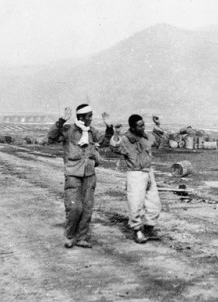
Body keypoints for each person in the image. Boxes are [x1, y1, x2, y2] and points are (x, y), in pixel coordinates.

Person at [47, 104, 114, 249]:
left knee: (87, 207)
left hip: (89, 173)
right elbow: (51, 136)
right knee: (74, 207)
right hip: (73, 173)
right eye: (89, 116)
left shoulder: (91, 132)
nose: (91, 118)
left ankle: (82, 237)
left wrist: (109, 128)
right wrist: (61, 121)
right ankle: (70, 235)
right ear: (81, 117)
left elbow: (105, 142)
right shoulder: (68, 130)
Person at [110, 114, 162, 244]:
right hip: (135, 174)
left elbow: (157, 140)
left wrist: (157, 125)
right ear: (132, 128)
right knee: (135, 204)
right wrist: (116, 133)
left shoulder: (146, 137)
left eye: (143, 125)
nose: (143, 127)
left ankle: (149, 229)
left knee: (154, 203)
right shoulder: (126, 140)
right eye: (140, 126)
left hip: (149, 173)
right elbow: (114, 148)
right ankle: (137, 231)